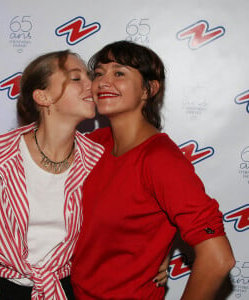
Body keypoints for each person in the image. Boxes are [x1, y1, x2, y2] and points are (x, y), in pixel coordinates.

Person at [0, 48, 168, 300]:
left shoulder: (97, 157)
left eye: (90, 76)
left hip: (67, 289)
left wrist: (161, 253)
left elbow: (142, 209)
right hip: (3, 290)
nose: (93, 84)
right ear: (43, 97)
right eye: (76, 78)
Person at [69, 41, 235, 299]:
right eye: (99, 73)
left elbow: (218, 258)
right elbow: (36, 151)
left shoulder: (160, 159)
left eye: (119, 73)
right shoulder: (93, 143)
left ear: (149, 89)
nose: (103, 82)